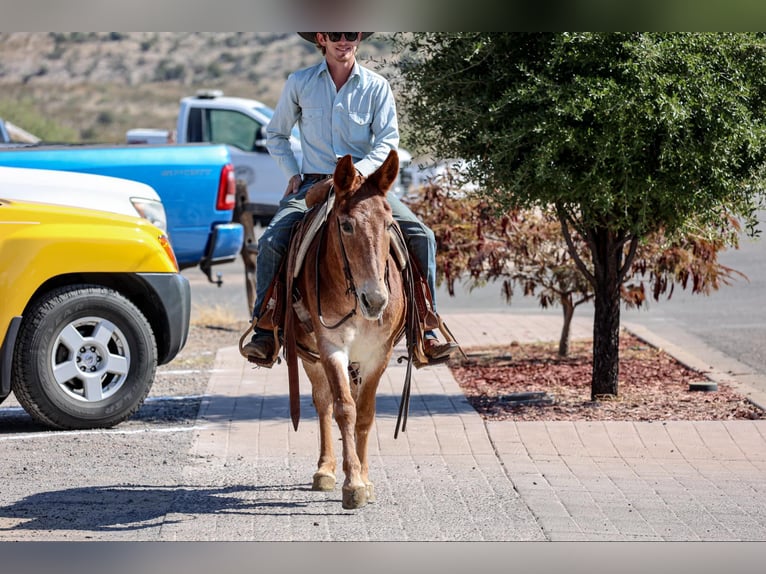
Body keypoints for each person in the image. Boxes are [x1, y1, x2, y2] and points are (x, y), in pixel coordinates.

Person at [241, 32, 457, 364]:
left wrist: (357, 175)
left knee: (422, 236)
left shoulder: (376, 86)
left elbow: (387, 141)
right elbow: (276, 134)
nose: (344, 41)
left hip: (364, 187)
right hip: (313, 183)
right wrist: (292, 174)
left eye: (351, 34)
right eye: (335, 34)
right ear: (321, 38)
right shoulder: (300, 83)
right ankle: (266, 329)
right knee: (271, 240)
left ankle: (423, 330)